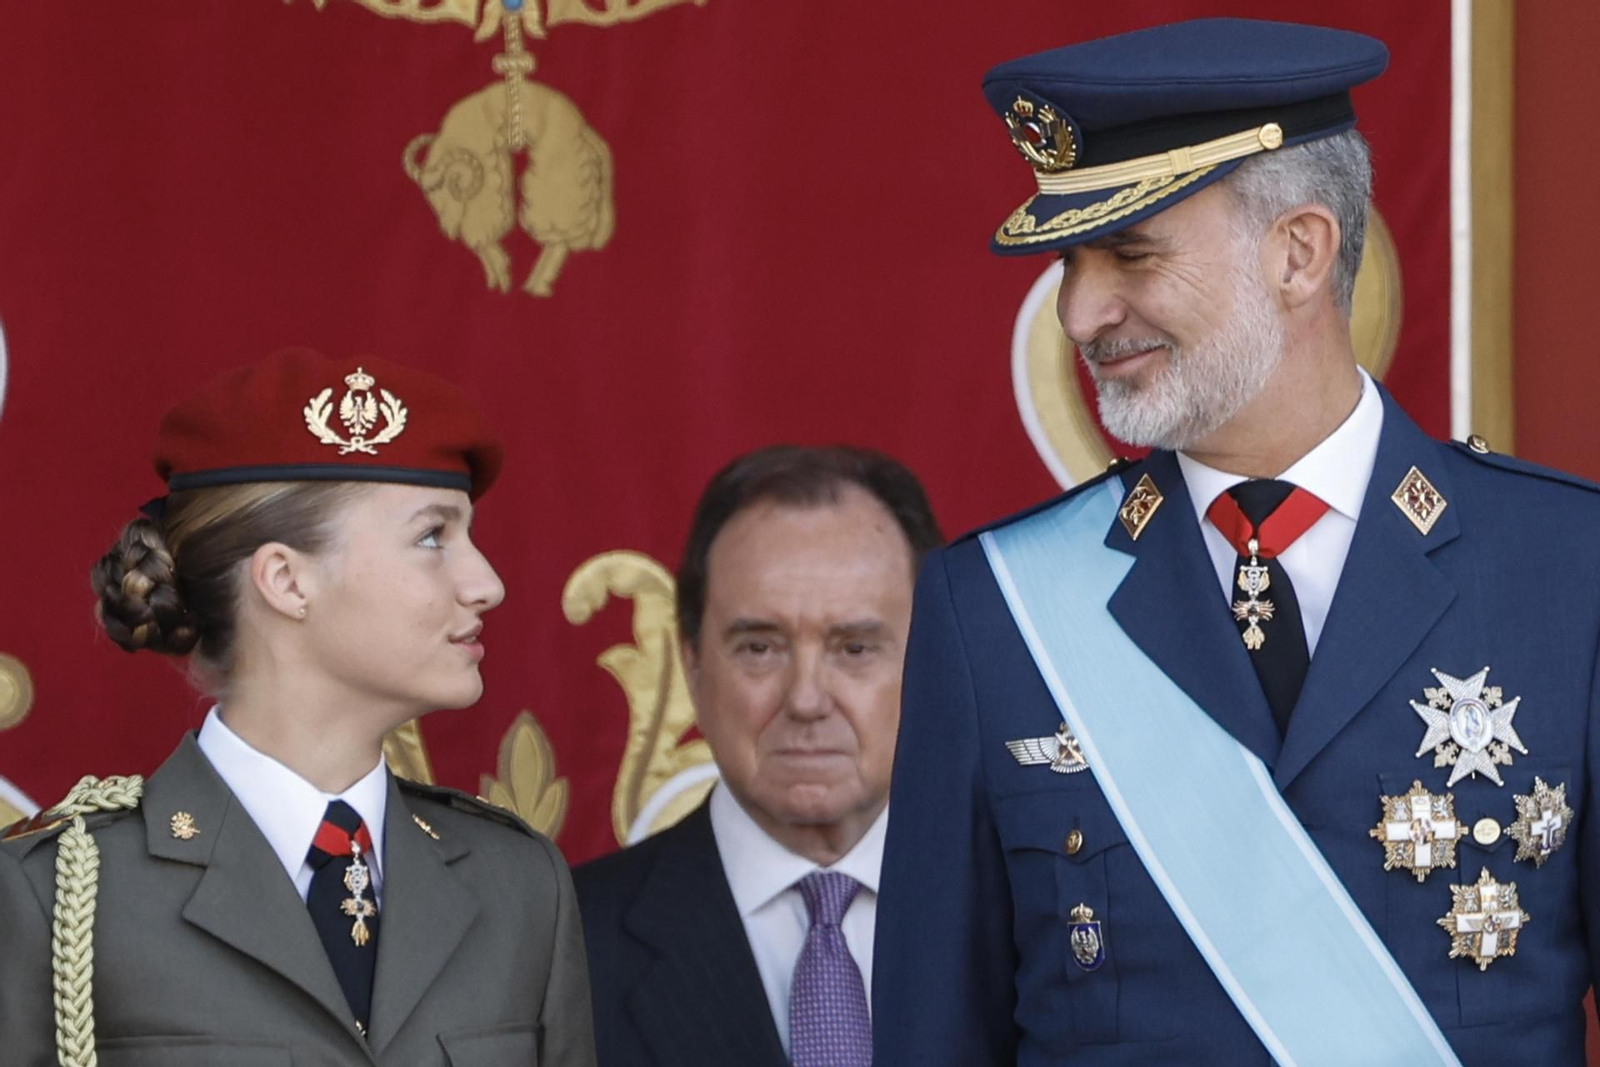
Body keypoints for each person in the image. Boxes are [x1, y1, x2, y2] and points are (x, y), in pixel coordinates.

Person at [873, 18, 1600, 1067]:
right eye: (1071, 262)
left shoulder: (1566, 571)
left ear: (1298, 251)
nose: (1080, 310)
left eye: (1128, 252)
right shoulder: (991, 608)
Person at [0, 348, 596, 1066]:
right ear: (285, 579)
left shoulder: (517, 883)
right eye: (433, 536)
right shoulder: (61, 893)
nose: (487, 582)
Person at [574, 445, 942, 1067]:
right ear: (692, 664)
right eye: (759, 648)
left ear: (933, 662)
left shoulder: (1030, 924)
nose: (805, 699)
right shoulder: (564, 949)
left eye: (853, 648)